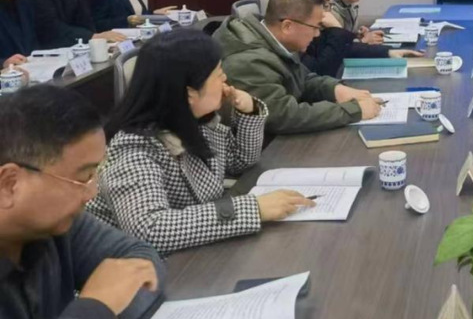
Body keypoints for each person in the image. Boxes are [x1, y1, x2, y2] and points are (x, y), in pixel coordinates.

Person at [88, 31, 312, 255]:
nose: (225, 80)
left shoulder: (194, 121)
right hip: (132, 264)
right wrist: (253, 209)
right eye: (218, 74)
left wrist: (249, 112)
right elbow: (150, 229)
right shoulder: (134, 147)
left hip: (187, 252)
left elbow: (239, 161)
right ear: (189, 93)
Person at [0, 85, 165, 319]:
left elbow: (141, 261)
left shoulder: (57, 225)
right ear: (10, 184)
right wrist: (96, 309)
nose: (92, 193)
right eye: (83, 178)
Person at [214, 0, 381, 134]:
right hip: (265, 149)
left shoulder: (273, 40)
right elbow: (281, 116)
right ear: (287, 26)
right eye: (315, 27)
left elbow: (302, 78)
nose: (317, 34)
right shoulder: (249, 61)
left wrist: (335, 90)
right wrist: (353, 111)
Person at [290, 0, 422, 78]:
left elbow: (346, 49)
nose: (324, 11)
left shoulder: (316, 26)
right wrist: (336, 28)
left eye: (326, 4)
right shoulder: (294, 40)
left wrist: (388, 52)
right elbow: (322, 72)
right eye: (318, 4)